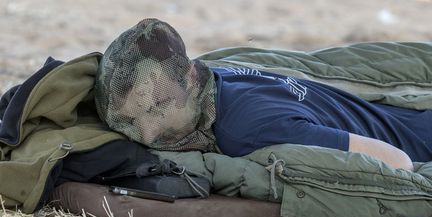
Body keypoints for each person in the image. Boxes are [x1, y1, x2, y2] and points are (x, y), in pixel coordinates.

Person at [94, 18, 432, 171]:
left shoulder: (245, 129)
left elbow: (397, 162)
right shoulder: (219, 74)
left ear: (188, 78)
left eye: (157, 105)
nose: (142, 124)